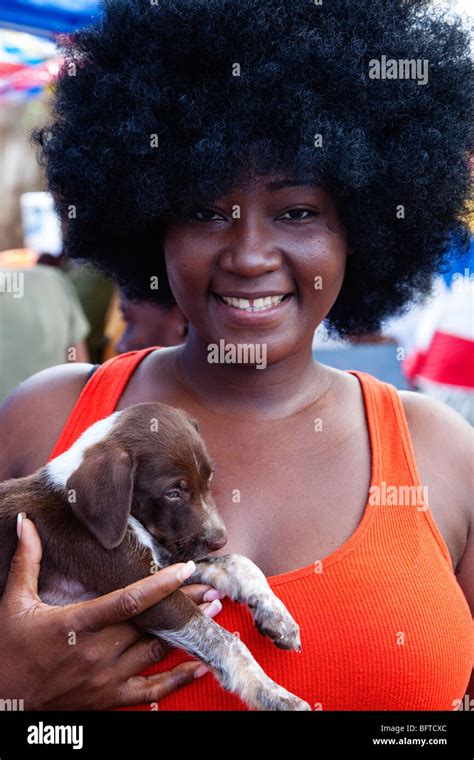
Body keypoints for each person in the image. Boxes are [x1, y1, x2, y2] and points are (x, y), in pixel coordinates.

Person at [0, 0, 472, 710]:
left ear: (362, 229)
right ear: (148, 219)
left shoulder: (443, 455)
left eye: (298, 212)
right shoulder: (44, 421)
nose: (249, 255)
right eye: (203, 211)